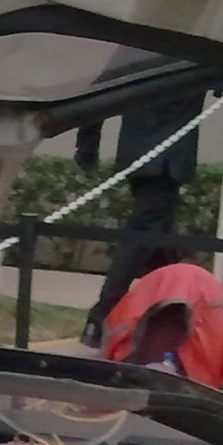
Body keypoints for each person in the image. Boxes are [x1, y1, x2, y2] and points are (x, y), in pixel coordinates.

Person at [77, 89, 207, 349]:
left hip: (139, 155)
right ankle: (103, 315)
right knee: (143, 236)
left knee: (158, 239)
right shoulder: (198, 61)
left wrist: (87, 144)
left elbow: (102, 92)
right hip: (166, 161)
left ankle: (168, 318)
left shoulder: (138, 64)